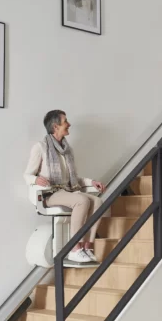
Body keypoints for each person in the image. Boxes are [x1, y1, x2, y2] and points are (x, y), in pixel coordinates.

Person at [24, 110, 106, 266]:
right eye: (65, 121)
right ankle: (74, 248)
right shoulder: (40, 147)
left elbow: (73, 179)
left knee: (97, 202)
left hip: (66, 191)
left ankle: (86, 248)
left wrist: (91, 182)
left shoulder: (67, 150)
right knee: (81, 200)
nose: (69, 124)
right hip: (50, 193)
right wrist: (36, 179)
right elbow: (27, 175)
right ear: (55, 126)